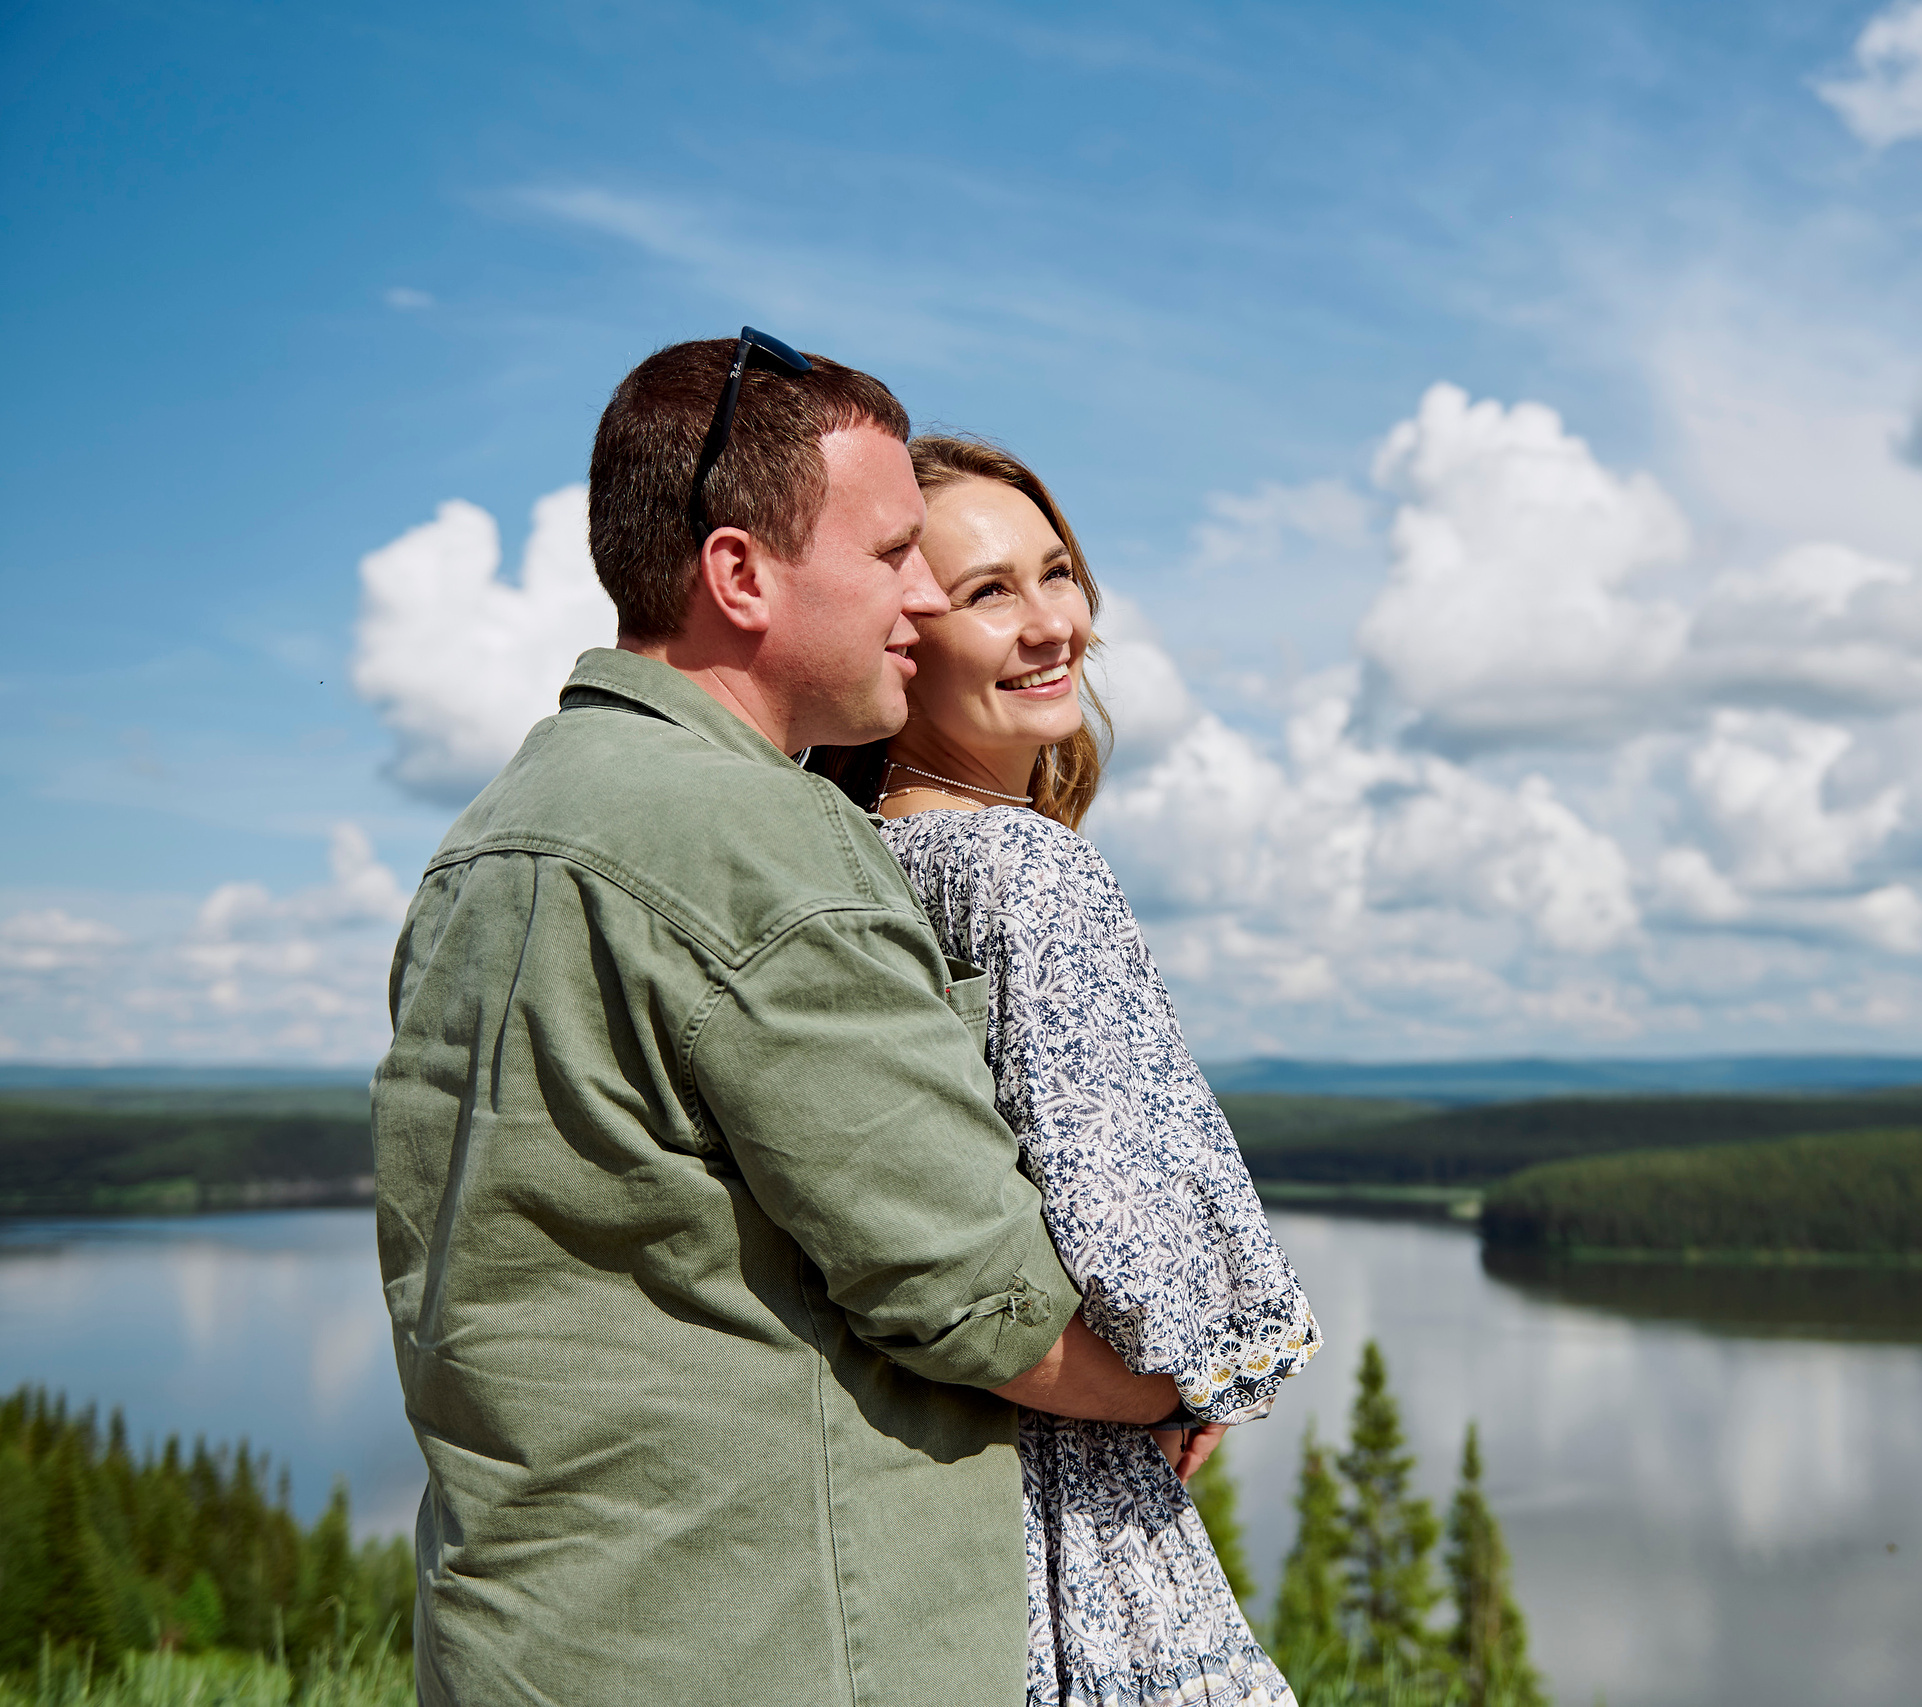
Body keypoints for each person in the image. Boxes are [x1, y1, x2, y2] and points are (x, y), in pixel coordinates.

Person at [372, 334, 1175, 1707]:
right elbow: (974, 1297)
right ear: (740, 575)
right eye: (891, 553)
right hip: (769, 1643)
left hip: (528, 1642)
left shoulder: (493, 833)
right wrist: (1180, 1383)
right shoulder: (758, 842)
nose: (921, 596)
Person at [808, 436, 1322, 1707]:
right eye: (987, 593)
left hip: (913, 1494)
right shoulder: (1031, 872)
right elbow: (1139, 1273)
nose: (1053, 626)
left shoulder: (841, 859)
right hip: (1068, 1510)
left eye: (1057, 574)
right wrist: (1193, 1369)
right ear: (901, 636)